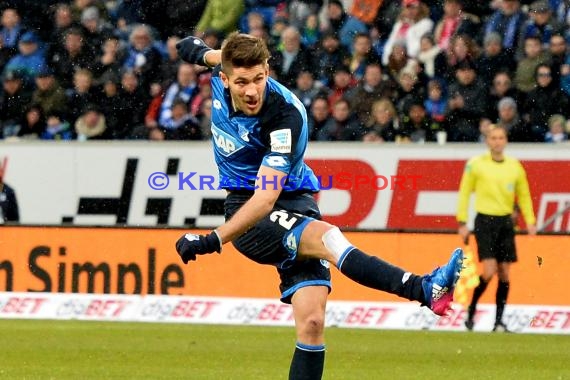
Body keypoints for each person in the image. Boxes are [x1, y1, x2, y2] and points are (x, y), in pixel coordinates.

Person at [174, 32, 463, 380]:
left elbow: (268, 197)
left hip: (286, 202)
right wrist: (197, 49)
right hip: (246, 212)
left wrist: (211, 240)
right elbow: (192, 49)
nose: (251, 90)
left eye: (258, 79)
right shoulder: (223, 66)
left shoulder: (285, 117)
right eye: (241, 82)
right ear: (223, 77)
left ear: (268, 69)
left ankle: (423, 289)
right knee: (330, 239)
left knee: (312, 322)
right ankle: (422, 288)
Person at [457, 124, 536, 333]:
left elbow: (524, 195)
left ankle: (499, 322)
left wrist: (530, 220)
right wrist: (462, 222)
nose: (497, 141)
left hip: (506, 223)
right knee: (489, 271)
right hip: (485, 222)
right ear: (487, 141)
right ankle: (472, 309)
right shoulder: (476, 164)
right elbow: (464, 193)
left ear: (506, 141)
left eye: (501, 138)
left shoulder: (515, 166)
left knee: (504, 274)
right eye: (494, 138)